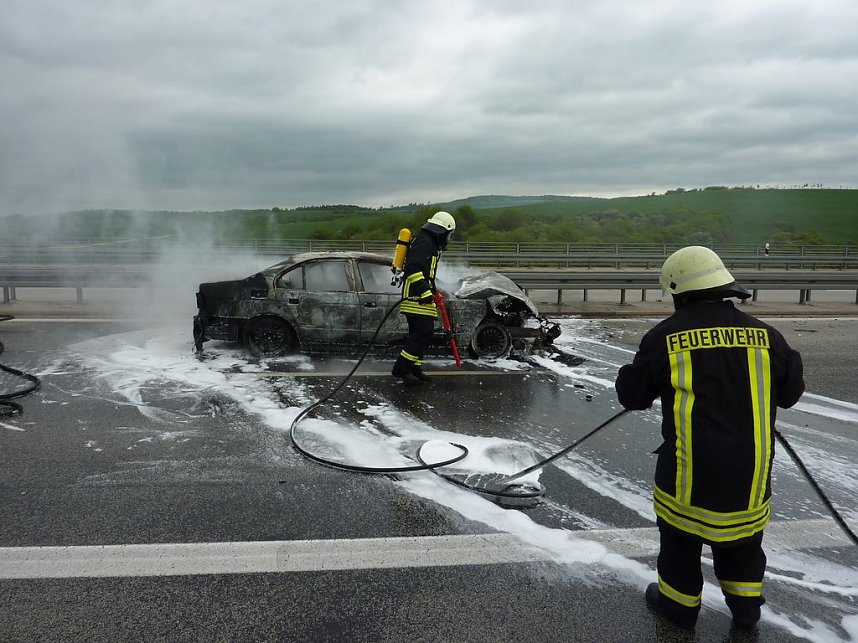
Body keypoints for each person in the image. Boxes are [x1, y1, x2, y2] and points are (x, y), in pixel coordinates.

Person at [614, 246, 805, 631]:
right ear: (722, 284)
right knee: (744, 543)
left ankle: (679, 607)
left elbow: (633, 397)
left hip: (688, 474)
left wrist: (629, 373)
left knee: (680, 543)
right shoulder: (768, 337)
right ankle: (747, 609)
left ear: (677, 291)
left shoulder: (664, 337)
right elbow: (790, 394)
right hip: (749, 474)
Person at [391, 211, 456, 385]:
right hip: (415, 297)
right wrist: (426, 293)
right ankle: (401, 370)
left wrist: (434, 292)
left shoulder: (429, 243)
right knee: (423, 332)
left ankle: (414, 368)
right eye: (449, 234)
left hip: (421, 296)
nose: (449, 238)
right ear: (442, 231)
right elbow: (413, 269)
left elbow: (427, 275)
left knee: (420, 334)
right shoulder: (425, 242)